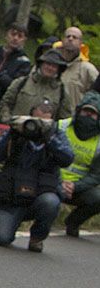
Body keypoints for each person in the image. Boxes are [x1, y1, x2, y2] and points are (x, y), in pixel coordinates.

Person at [0, 104, 73, 252]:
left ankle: (37, 238)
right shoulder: (18, 133)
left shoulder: (56, 134)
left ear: (51, 120)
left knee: (50, 202)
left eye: (44, 122)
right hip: (12, 195)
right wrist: (12, 134)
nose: (38, 125)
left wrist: (49, 140)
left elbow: (67, 158)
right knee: (0, 238)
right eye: (35, 120)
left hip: (40, 194)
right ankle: (13, 220)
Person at [58, 91, 100, 236]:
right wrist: (60, 182)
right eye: (85, 111)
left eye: (92, 113)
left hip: (77, 188)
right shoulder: (61, 126)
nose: (88, 116)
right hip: (52, 180)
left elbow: (96, 175)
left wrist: (75, 186)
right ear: (78, 111)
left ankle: (73, 223)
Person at [0, 50, 72, 120]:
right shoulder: (21, 82)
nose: (50, 68)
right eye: (48, 64)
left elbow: (65, 118)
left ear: (58, 70)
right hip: (16, 130)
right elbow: (5, 103)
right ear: (40, 65)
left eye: (54, 66)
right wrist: (8, 121)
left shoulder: (62, 92)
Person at [0, 23, 32, 121]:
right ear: (7, 35)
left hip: (0, 108)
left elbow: (14, 85)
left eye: (20, 36)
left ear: (24, 40)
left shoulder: (24, 62)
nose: (15, 38)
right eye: (13, 34)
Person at [56, 26, 98, 110]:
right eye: (68, 36)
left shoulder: (88, 69)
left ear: (80, 43)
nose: (70, 39)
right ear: (62, 40)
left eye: (74, 37)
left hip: (74, 118)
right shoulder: (50, 64)